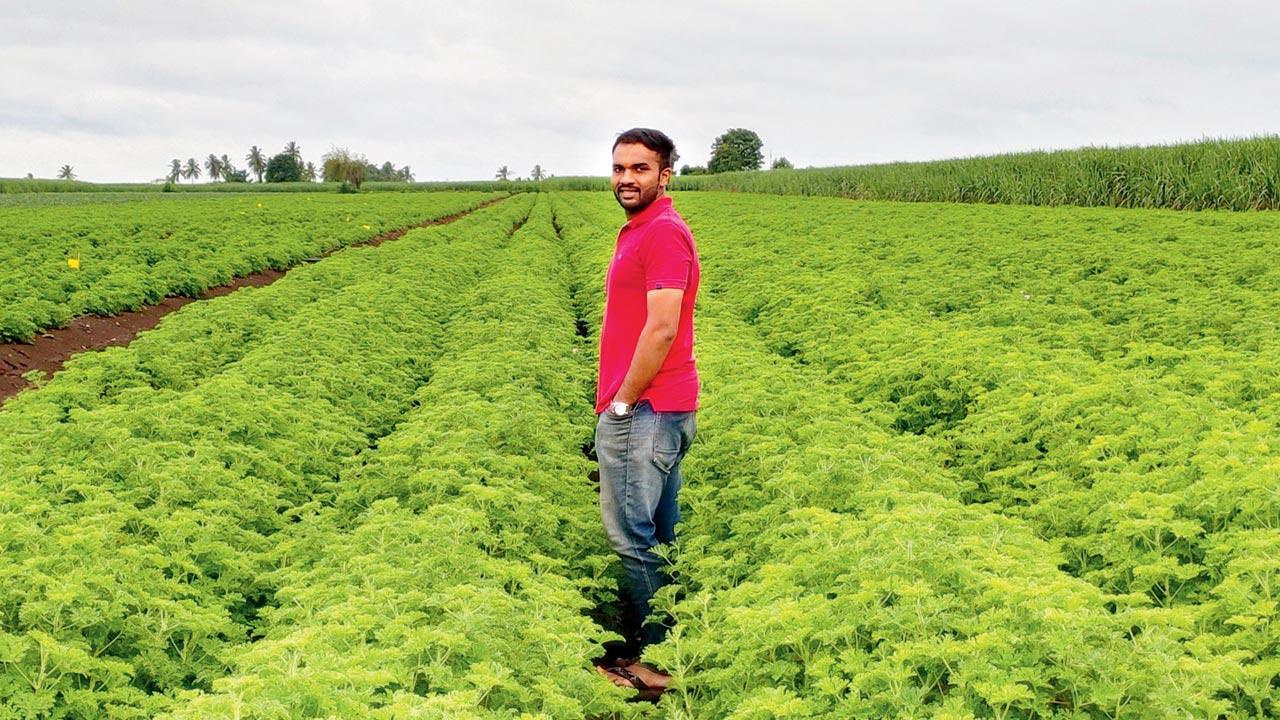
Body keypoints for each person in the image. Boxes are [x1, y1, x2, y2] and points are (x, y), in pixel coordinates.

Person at [593, 128, 700, 701]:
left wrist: (622, 403)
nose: (626, 178)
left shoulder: (662, 233)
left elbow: (661, 326)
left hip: (647, 411)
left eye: (640, 168)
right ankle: (675, 641)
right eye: (619, 168)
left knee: (630, 536)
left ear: (665, 175)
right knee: (658, 532)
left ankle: (658, 659)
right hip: (663, 408)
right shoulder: (644, 229)